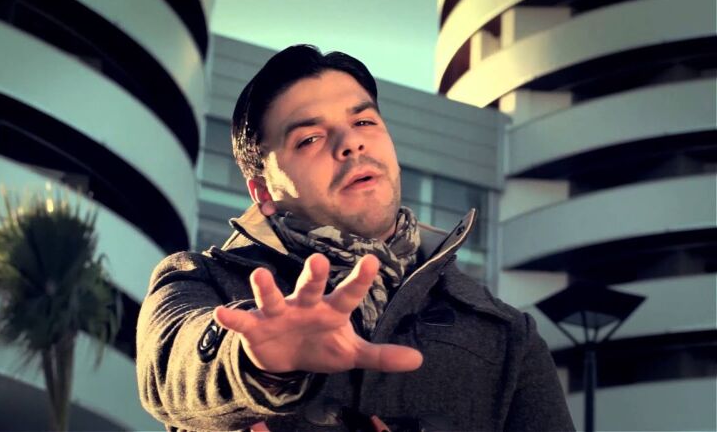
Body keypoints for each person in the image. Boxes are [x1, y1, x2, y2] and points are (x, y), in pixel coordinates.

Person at [136, 45, 575, 432]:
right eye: (310, 138)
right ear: (263, 192)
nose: (351, 143)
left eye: (364, 121)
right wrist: (255, 362)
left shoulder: (507, 337)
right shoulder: (199, 280)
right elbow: (167, 373)